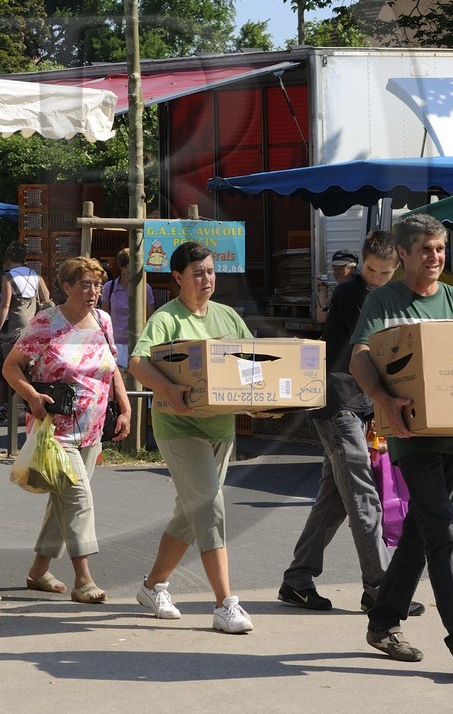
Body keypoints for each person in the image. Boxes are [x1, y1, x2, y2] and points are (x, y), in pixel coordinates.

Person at [349, 212, 453, 675]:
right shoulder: (385, 301)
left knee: (422, 529)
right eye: (425, 249)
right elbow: (360, 357)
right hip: (410, 433)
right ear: (404, 254)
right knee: (443, 528)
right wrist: (382, 399)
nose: (435, 257)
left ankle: (383, 620)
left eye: (440, 248)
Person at [280, 231, 423, 614]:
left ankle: (297, 579)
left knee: (336, 499)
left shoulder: (383, 293)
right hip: (337, 399)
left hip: (359, 402)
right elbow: (378, 349)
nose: (376, 276)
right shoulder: (350, 293)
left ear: (397, 268)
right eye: (371, 270)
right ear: (362, 263)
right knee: (362, 492)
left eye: (385, 272)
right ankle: (381, 587)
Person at [126, 241, 255, 635]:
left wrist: (261, 400)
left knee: (191, 512)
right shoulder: (167, 319)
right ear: (178, 278)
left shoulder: (228, 316)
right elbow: (136, 362)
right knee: (210, 507)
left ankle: (152, 587)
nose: (207, 279)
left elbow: (253, 360)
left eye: (211, 271)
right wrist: (168, 390)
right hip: (178, 428)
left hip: (220, 428)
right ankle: (224, 605)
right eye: (198, 273)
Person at [3, 255, 131, 604]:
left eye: (97, 284)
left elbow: (112, 367)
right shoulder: (46, 322)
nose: (93, 291)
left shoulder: (103, 321)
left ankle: (38, 571)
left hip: (91, 430)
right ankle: (83, 580)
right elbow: (11, 366)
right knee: (78, 500)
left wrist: (125, 406)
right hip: (54, 432)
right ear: (67, 287)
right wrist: (31, 396)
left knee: (63, 500)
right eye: (85, 284)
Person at [0, 242, 52, 421]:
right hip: (33, 329)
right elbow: (47, 299)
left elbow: (5, 305)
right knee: (30, 372)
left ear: (8, 258)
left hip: (15, 330)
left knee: (12, 370)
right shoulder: (36, 276)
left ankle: (17, 411)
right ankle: (31, 408)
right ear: (25, 257)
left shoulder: (8, 277)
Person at [100, 247, 155, 368]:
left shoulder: (145, 289)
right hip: (115, 344)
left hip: (138, 345)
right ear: (123, 267)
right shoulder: (109, 287)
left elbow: (151, 317)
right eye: (133, 265)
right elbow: (104, 316)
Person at [315, 249, 358, 323]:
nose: (336, 273)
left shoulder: (357, 289)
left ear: (353, 268)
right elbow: (321, 318)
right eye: (334, 269)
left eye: (340, 269)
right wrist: (323, 290)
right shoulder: (338, 287)